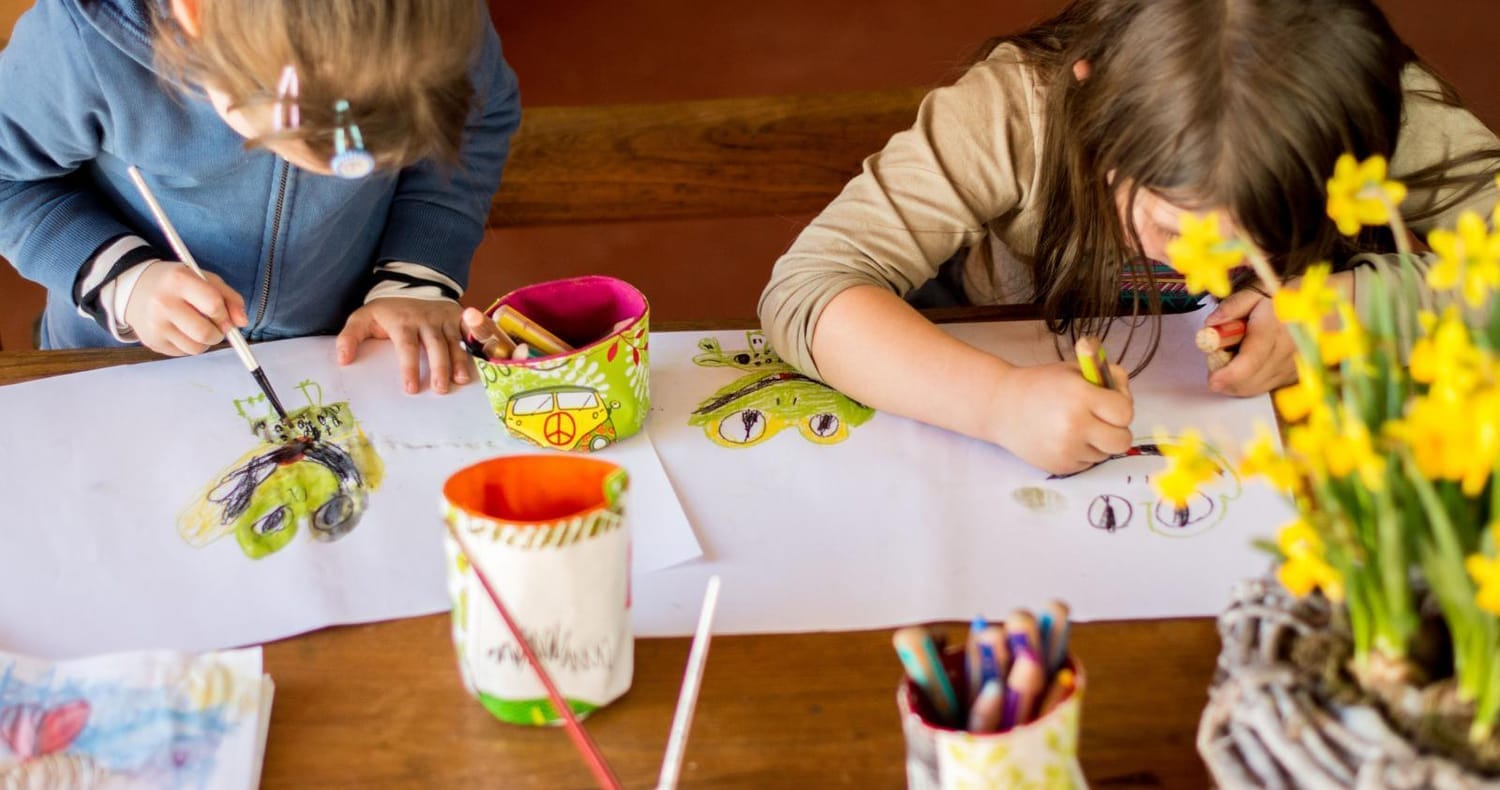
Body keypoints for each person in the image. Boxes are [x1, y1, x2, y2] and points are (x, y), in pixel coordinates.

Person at [758, 0, 1500, 475]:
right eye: (1172, 225)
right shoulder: (1017, 114)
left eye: (1264, 237)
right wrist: (996, 402)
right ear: (1094, 102)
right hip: (989, 384)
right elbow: (809, 289)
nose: (1202, 268)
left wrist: (1357, 306)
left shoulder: (1384, 111)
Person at [0, 0, 519, 395]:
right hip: (118, 364)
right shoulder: (80, 43)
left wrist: (417, 277)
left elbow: (476, 124)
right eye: (288, 141)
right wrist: (122, 281)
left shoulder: (439, 26)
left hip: (336, 351)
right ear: (195, 15)